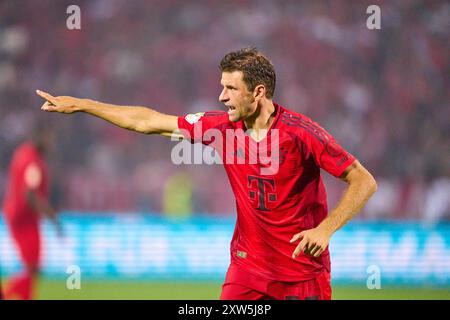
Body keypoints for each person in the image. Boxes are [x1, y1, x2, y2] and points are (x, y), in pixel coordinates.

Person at [36, 47, 377, 300]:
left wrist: (326, 229)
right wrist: (84, 104)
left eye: (230, 89)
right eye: (222, 86)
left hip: (303, 274)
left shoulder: (301, 134)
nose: (221, 96)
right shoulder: (220, 128)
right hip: (248, 271)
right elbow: (148, 121)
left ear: (257, 92)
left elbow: (363, 180)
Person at [2, 123, 61, 300]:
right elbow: (30, 194)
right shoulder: (32, 161)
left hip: (19, 215)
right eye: (50, 139)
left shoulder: (23, 153)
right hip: (23, 218)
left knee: (33, 268)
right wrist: (52, 216)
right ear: (40, 138)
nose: (52, 143)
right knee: (33, 267)